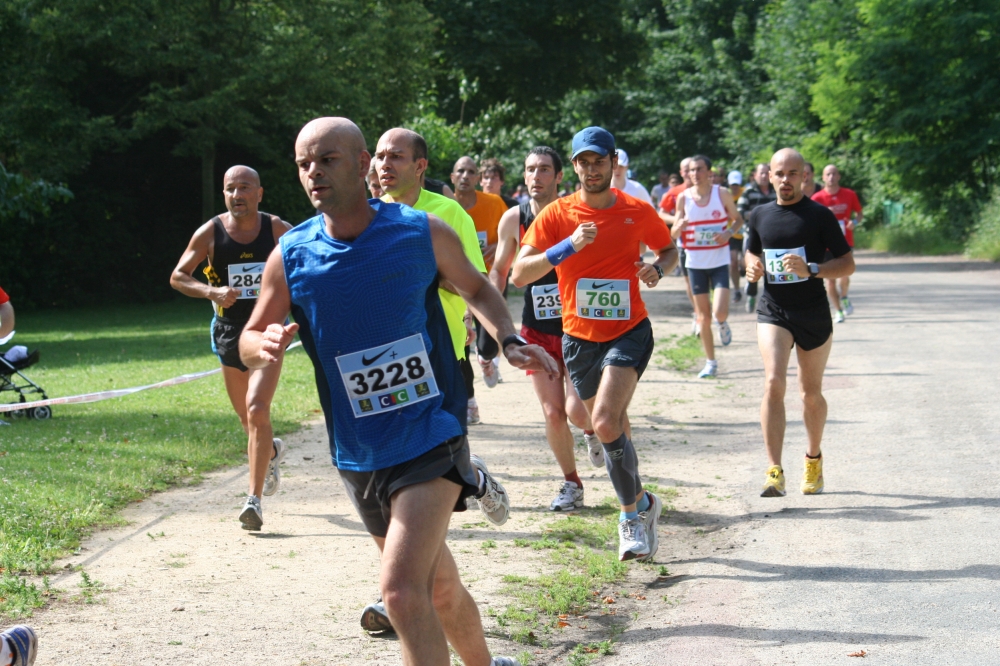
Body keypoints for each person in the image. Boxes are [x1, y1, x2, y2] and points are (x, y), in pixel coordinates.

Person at [241, 116, 554, 666]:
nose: (314, 173)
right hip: (359, 449)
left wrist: (507, 338)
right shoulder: (290, 255)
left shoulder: (419, 232)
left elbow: (477, 286)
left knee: (401, 594)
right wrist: (260, 343)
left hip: (429, 429)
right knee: (438, 587)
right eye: (304, 164)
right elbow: (248, 336)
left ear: (363, 165)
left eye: (328, 160)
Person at [513, 126, 678, 562]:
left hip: (629, 331)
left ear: (613, 163)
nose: (591, 170)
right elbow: (519, 274)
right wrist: (565, 247)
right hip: (578, 339)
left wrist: (658, 269)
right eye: (583, 163)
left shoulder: (636, 210)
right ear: (574, 167)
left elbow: (668, 250)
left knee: (603, 421)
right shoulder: (557, 215)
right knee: (608, 425)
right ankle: (644, 502)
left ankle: (629, 519)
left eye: (599, 161)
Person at [169, 165, 292, 531]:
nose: (237, 194)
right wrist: (213, 292)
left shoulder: (278, 230)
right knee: (245, 417)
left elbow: (309, 261)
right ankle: (270, 451)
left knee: (257, 409)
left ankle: (253, 500)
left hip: (268, 331)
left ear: (259, 193)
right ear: (224, 194)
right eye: (231, 189)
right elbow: (178, 276)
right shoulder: (210, 232)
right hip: (229, 330)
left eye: (245, 187)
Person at [490, 146, 602, 511]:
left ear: (559, 176)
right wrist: (487, 315)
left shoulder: (575, 213)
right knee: (553, 412)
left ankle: (591, 431)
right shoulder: (514, 218)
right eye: (530, 169)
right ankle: (572, 483)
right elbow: (501, 271)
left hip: (579, 326)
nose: (535, 176)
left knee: (577, 411)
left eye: (543, 169)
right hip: (537, 330)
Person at [744, 148, 854, 498]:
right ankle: (774, 471)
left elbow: (848, 262)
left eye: (793, 173)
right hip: (774, 310)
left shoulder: (820, 215)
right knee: (773, 382)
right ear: (769, 176)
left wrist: (813, 270)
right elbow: (751, 250)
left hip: (813, 312)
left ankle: (813, 458)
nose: (786, 180)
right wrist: (751, 266)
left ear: (804, 176)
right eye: (779, 173)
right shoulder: (760, 214)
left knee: (810, 393)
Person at [377, 132, 487, 426]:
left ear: (420, 166)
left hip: (440, 347)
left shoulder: (449, 212)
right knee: (397, 436)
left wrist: (426, 272)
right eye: (380, 157)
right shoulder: (369, 216)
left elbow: (477, 284)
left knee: (444, 438)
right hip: (387, 351)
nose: (385, 164)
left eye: (396, 156)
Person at [671, 155, 742, 379]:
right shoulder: (683, 198)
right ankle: (711, 362)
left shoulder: (722, 194)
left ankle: (722, 322)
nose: (695, 174)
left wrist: (728, 233)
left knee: (719, 311)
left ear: (709, 172)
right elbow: (673, 233)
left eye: (699, 169)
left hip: (719, 261)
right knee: (703, 317)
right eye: (692, 170)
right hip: (695, 263)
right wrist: (679, 226)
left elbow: (738, 219)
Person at [452, 156, 510, 388]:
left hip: (489, 279)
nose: (465, 176)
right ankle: (466, 393)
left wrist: (498, 245)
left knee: (487, 344)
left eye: (470, 172)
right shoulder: (446, 206)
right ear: (452, 177)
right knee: (459, 339)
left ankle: (486, 358)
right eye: (460, 171)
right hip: (455, 283)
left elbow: (510, 233)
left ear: (477, 178)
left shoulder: (494, 203)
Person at [812, 164, 863, 323]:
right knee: (830, 280)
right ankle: (838, 311)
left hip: (845, 241)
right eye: (828, 174)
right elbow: (810, 220)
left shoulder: (849, 194)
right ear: (823, 177)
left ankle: (844, 296)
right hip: (826, 245)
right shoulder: (817, 198)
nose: (831, 177)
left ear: (839, 176)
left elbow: (859, 213)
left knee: (845, 276)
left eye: (834, 174)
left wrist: (854, 222)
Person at [737, 163, 777, 313]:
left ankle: (772, 300)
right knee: (753, 266)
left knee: (771, 268)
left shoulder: (776, 191)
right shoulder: (748, 193)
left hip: (773, 236)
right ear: (755, 175)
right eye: (761, 173)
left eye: (767, 173)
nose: (764, 176)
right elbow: (740, 212)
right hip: (752, 234)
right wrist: (760, 214)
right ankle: (751, 294)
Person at [727, 170, 746, 301]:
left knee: (744, 263)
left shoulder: (746, 193)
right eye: (733, 185)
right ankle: (737, 290)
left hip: (745, 232)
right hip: (732, 233)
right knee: (733, 262)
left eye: (737, 185)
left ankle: (743, 269)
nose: (735, 187)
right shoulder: (725, 195)